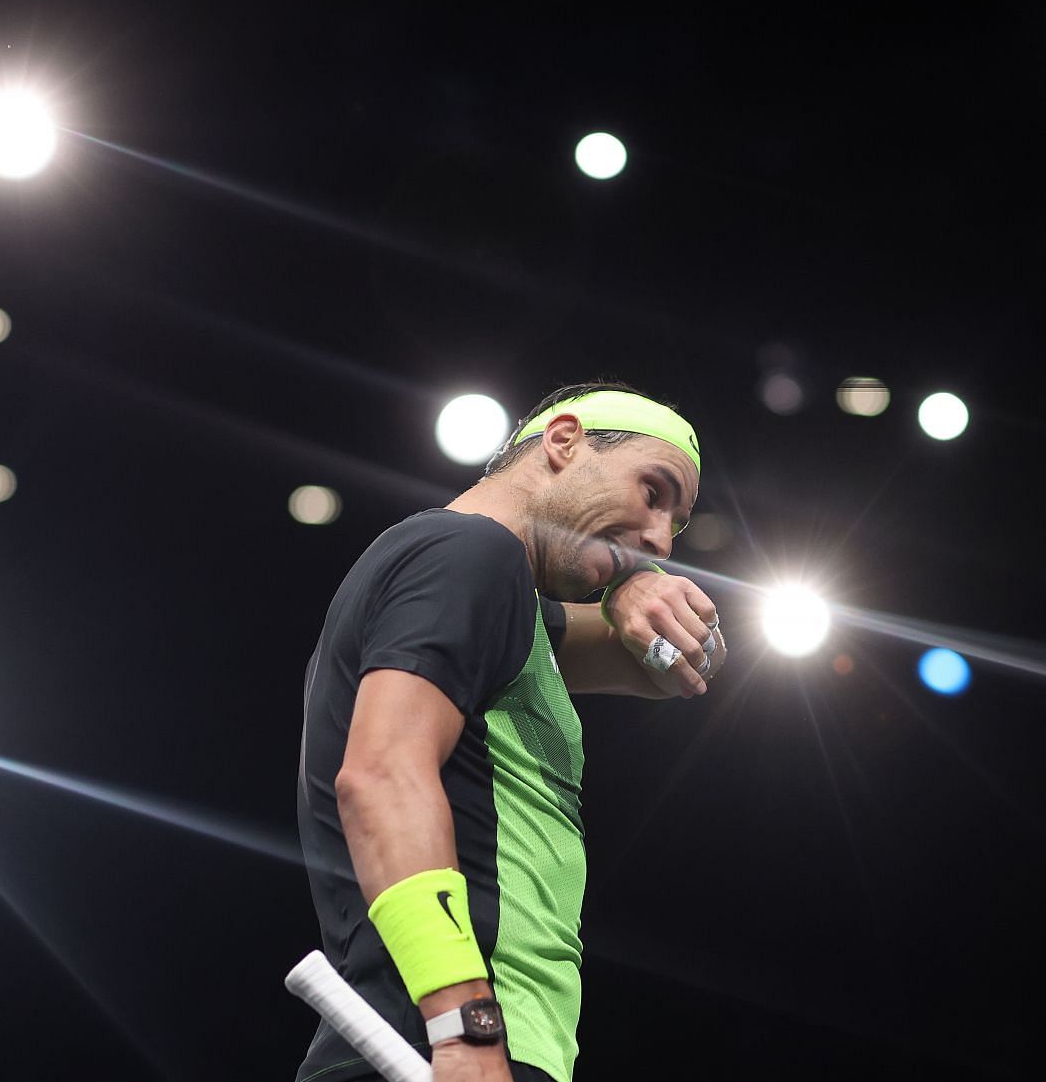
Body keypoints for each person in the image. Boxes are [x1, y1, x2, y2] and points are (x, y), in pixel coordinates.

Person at [294, 381, 728, 1082]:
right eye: (653, 491)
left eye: (675, 523)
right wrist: (465, 1028)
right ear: (562, 441)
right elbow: (379, 777)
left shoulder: (494, 593)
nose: (660, 538)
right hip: (443, 1042)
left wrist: (630, 587)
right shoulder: (470, 553)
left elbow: (675, 665)